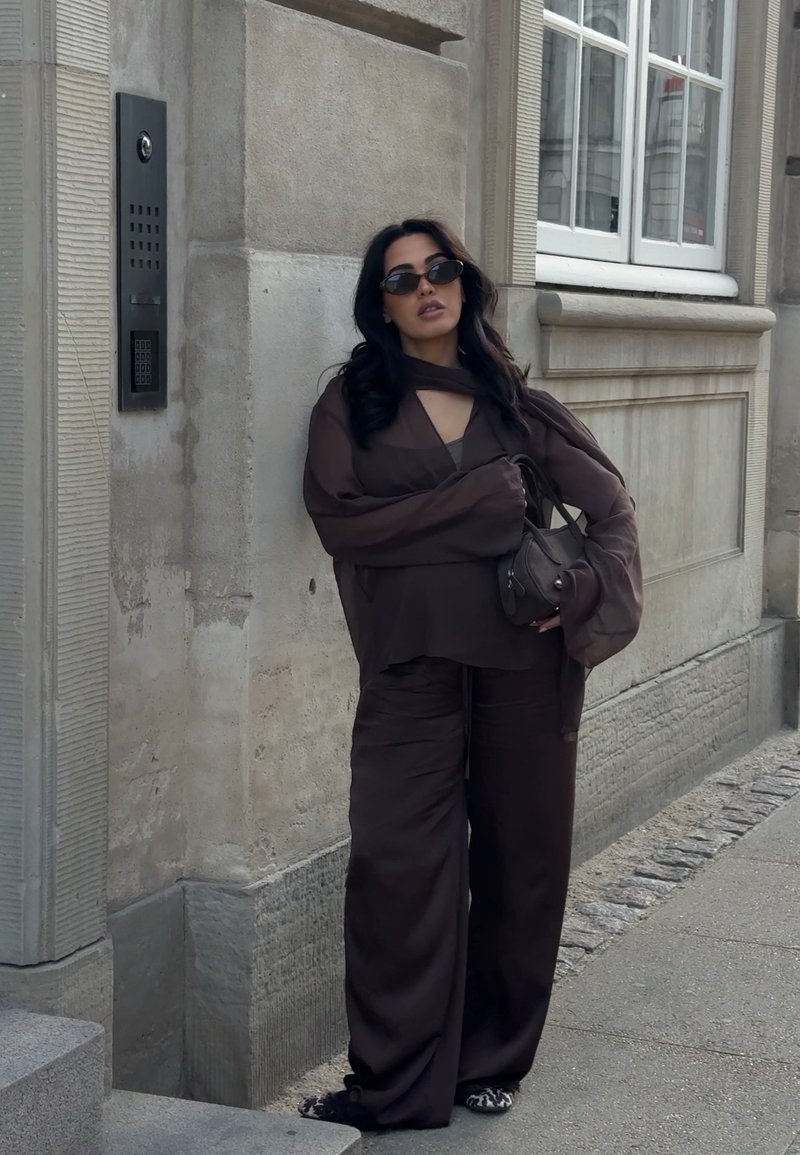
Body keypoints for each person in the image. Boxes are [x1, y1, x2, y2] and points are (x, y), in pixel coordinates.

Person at [299, 218, 642, 1132]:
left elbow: (611, 507)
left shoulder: (511, 401)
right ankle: (395, 1082)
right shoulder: (354, 403)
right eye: (402, 277)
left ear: (466, 282)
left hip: (524, 668)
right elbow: (341, 525)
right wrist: (474, 503)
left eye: (440, 269)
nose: (425, 287)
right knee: (394, 867)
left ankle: (491, 1057)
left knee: (521, 861)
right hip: (410, 670)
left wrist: (575, 588)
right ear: (382, 302)